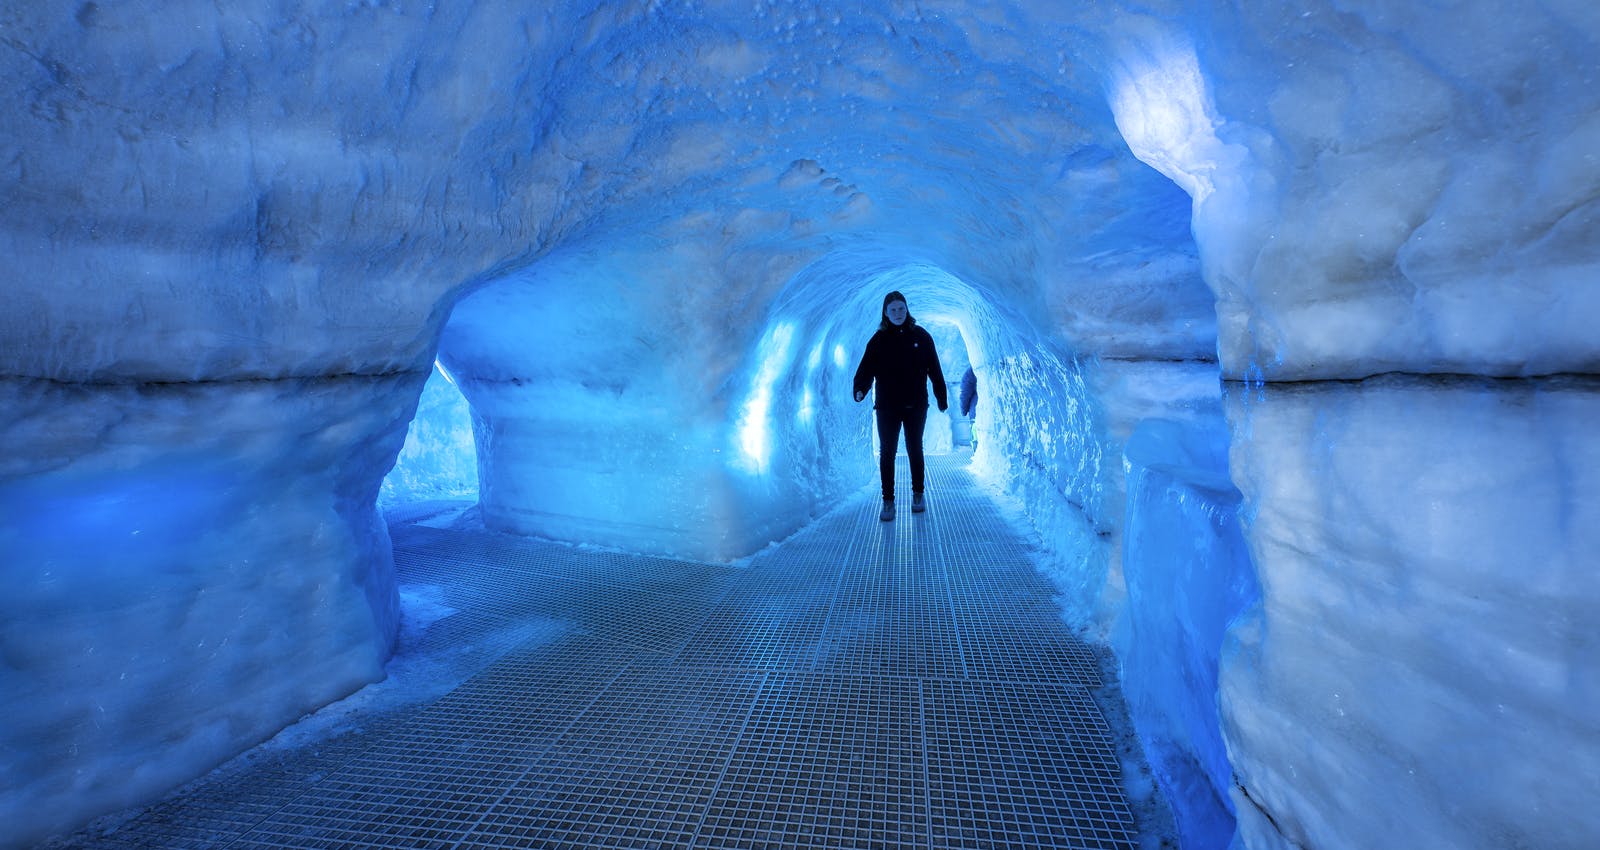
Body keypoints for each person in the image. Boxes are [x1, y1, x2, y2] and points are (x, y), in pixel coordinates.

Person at [852, 291, 948, 521]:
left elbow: (934, 369)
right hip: (887, 406)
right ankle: (888, 500)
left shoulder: (922, 337)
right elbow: (866, 368)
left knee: (915, 448)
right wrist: (860, 389)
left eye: (901, 309)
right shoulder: (878, 341)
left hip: (916, 405)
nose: (897, 313)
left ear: (907, 310)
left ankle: (918, 494)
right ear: (885, 313)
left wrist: (941, 396)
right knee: (887, 452)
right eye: (893, 310)